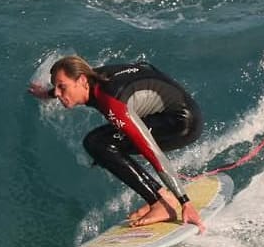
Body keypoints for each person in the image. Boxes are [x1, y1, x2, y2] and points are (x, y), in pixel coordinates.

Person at [28, 56, 206, 231]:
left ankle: (161, 202)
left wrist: (185, 202)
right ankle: (161, 198)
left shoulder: (112, 101)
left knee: (99, 144)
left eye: (61, 87)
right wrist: (46, 94)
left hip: (181, 123)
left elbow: (152, 152)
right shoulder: (91, 78)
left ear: (81, 80)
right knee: (99, 145)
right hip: (171, 110)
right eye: (55, 87)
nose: (58, 93)